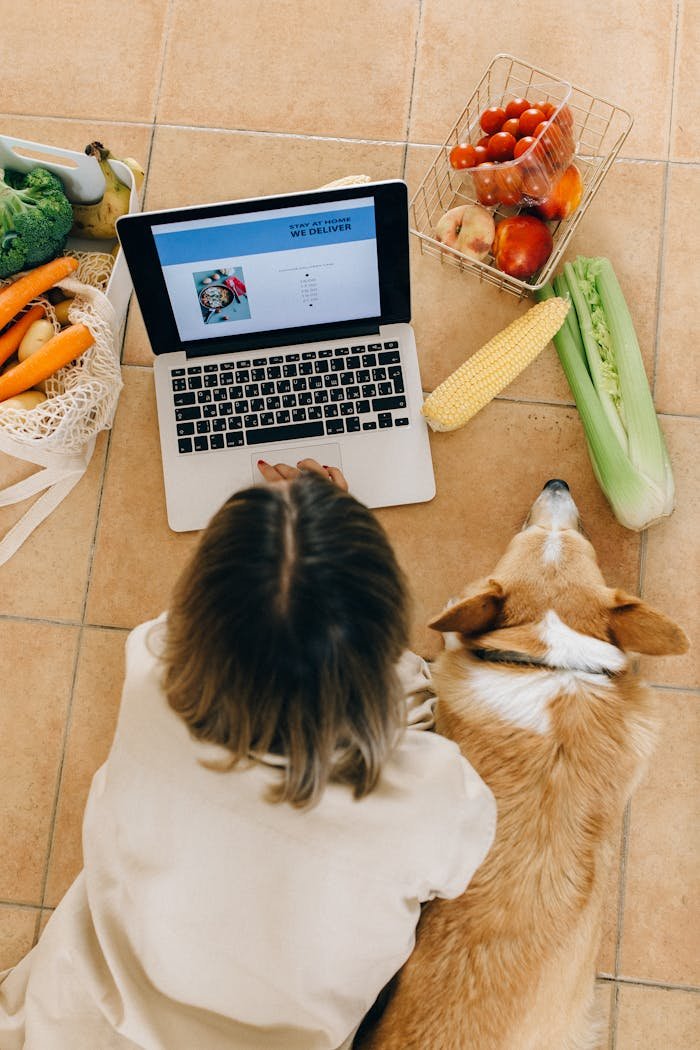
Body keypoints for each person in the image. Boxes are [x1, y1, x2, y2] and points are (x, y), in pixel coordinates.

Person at [0, 459, 496, 1050]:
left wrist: (287, 546)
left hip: (73, 1026)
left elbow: (195, 630)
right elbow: (457, 867)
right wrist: (326, 547)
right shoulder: (432, 795)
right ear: (381, 637)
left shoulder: (150, 672)